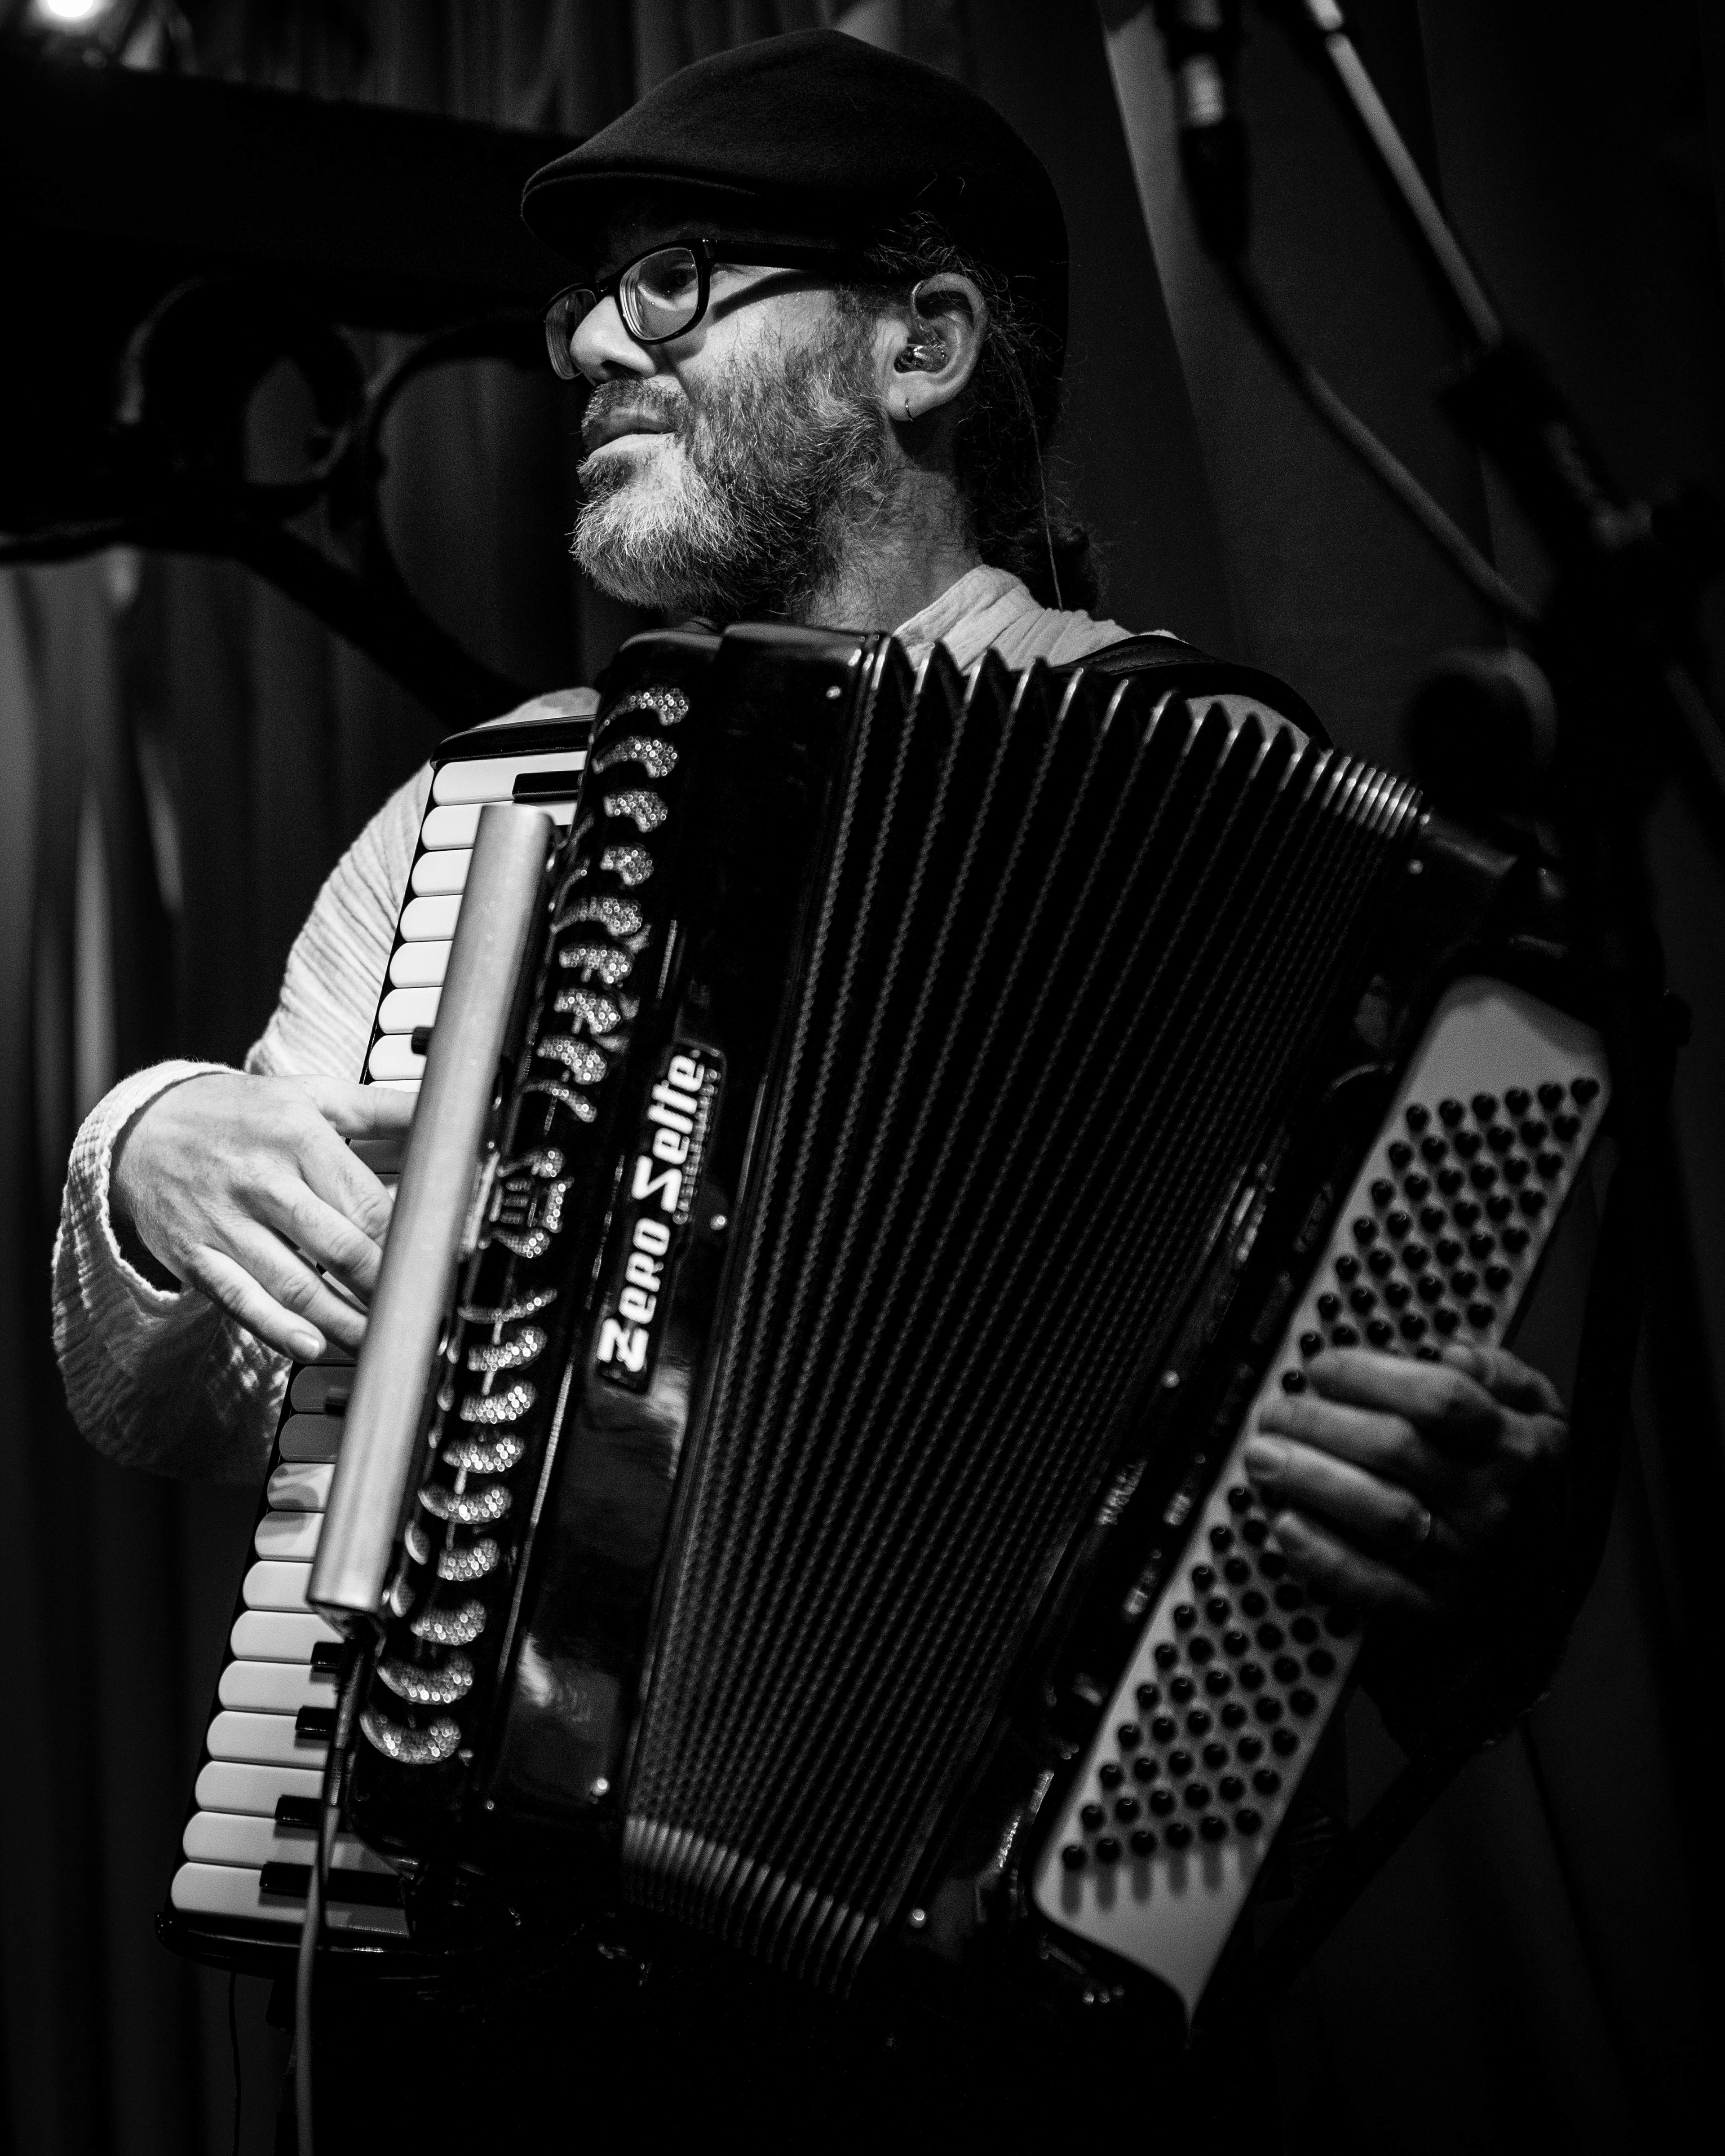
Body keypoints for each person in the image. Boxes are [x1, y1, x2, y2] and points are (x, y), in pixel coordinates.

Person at [53, 27, 1573, 2137]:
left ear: (921, 345)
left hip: (983, 2024)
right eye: (589, 301)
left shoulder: (1246, 832)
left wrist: (1479, 1526)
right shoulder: (485, 826)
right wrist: (149, 1150)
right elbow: (173, 1397)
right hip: (470, 2004)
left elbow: (1398, 1498)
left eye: (674, 281)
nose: (593, 341)